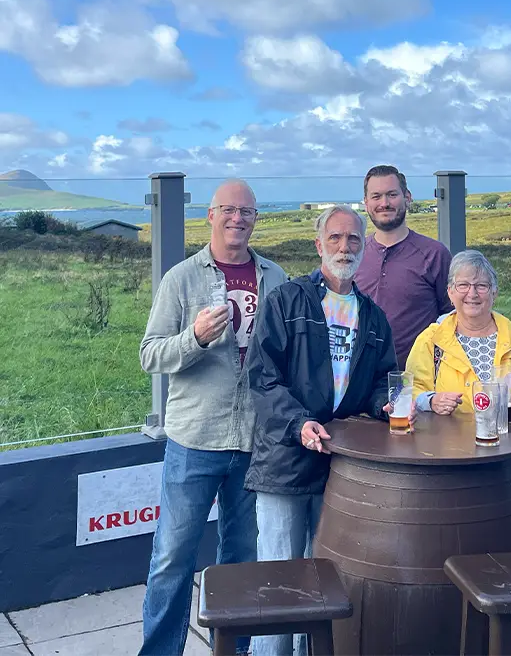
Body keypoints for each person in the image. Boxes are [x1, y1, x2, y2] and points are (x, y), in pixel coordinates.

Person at [138, 180, 288, 656]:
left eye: (246, 211)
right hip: (194, 442)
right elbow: (149, 355)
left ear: (256, 219)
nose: (237, 218)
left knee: (241, 560)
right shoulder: (181, 279)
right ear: (210, 215)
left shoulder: (277, 278)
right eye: (228, 209)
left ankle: (236, 649)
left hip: (252, 444)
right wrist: (195, 338)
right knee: (171, 560)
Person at [244, 204, 399, 656]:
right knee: (278, 577)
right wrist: (297, 423)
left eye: (353, 239)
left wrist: (384, 404)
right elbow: (262, 377)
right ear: (318, 245)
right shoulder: (287, 301)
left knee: (325, 580)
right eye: (335, 238)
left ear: (365, 247)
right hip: (286, 462)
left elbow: (377, 384)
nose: (344, 247)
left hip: (341, 466)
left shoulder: (372, 316)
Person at [406, 249, 511, 535]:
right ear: (450, 292)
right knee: (464, 543)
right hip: (453, 468)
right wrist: (430, 400)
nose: (472, 294)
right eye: (463, 285)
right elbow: (410, 391)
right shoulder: (431, 341)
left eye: (481, 285)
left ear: (494, 292)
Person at [355, 164, 453, 366]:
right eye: (376, 196)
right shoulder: (353, 254)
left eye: (392, 194)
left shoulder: (435, 254)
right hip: (359, 378)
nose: (384, 203)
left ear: (407, 197)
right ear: (366, 203)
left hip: (416, 379)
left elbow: (452, 317)